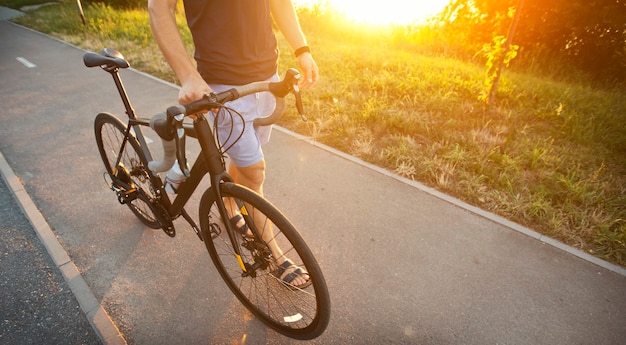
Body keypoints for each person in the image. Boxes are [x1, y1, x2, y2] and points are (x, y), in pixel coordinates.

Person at [148, 0, 318, 288]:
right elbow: (159, 7)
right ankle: (274, 254)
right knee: (255, 172)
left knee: (243, 162)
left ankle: (228, 209)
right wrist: (188, 75)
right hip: (221, 85)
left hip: (268, 79)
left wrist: (301, 49)